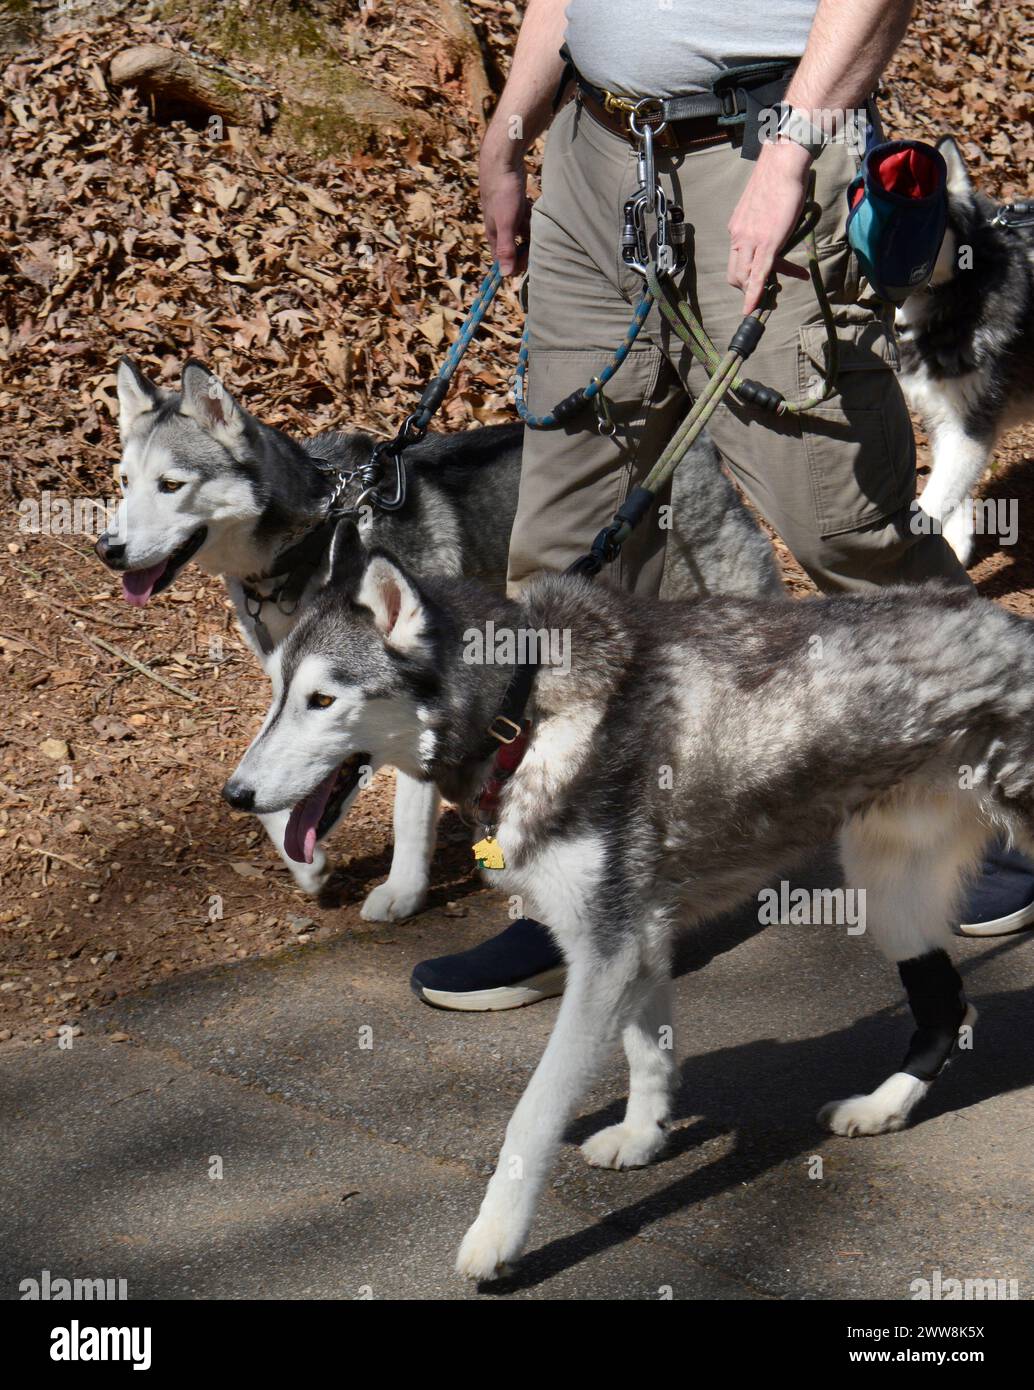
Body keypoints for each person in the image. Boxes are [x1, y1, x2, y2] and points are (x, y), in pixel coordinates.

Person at [411, 0, 1034, 1011]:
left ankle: (1002, 795)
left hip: (767, 150)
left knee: (849, 534)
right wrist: (511, 127)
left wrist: (791, 151)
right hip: (594, 152)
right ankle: (581, 892)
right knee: (561, 566)